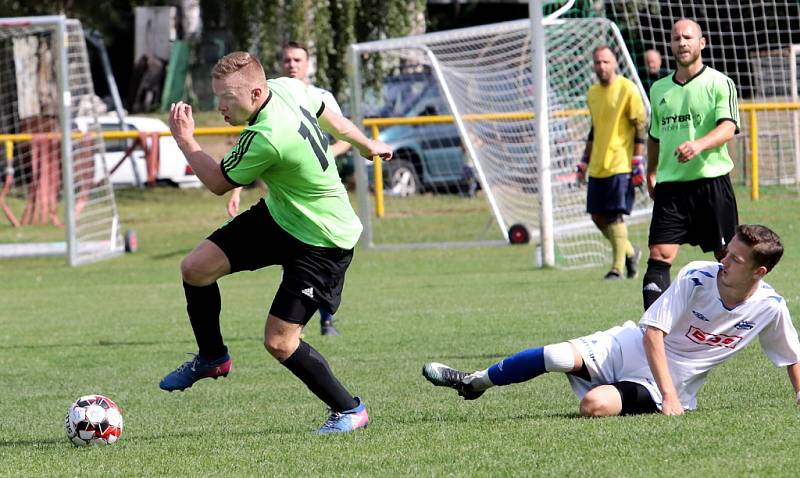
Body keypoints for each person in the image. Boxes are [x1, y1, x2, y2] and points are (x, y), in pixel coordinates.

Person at [161, 51, 393, 434]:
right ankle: (212, 356)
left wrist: (186, 141)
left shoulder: (265, 135)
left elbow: (219, 182)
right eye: (217, 97)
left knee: (280, 342)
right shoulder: (288, 87)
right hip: (282, 216)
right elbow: (329, 116)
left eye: (227, 99)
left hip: (322, 240)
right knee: (195, 269)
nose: (220, 107)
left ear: (255, 92)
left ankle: (349, 410)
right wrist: (366, 144)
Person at [423, 224, 800, 417]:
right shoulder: (698, 276)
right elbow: (652, 332)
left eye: (736, 259)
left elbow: (791, 355)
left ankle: (619, 392)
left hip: (659, 383)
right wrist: (670, 399)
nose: (724, 262)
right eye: (727, 253)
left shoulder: (770, 307)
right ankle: (475, 382)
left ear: (759, 271)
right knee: (554, 355)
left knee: (594, 407)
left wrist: (669, 395)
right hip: (629, 346)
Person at [228, 41, 349, 336]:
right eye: (286, 60)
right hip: (286, 192)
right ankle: (295, 320)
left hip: (320, 190)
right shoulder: (271, 97)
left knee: (318, 249)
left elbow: (343, 132)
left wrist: (321, 155)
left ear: (308, 64)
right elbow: (248, 154)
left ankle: (324, 320)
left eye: (297, 59)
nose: (291, 64)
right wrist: (235, 191)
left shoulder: (319, 96)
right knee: (293, 253)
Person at [642, 19, 740, 310]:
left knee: (727, 256)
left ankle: (733, 319)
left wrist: (698, 145)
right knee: (659, 255)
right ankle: (656, 333)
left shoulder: (720, 82)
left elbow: (728, 127)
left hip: (711, 183)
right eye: (676, 38)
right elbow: (654, 135)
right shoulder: (659, 89)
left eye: (688, 37)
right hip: (671, 187)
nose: (681, 42)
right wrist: (650, 171)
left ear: (702, 43)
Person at [576, 45, 647, 280]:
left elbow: (640, 125)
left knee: (615, 215)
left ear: (615, 62)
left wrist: (637, 161)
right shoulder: (592, 93)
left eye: (606, 62)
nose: (602, 66)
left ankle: (616, 269)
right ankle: (629, 251)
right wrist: (584, 163)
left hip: (621, 163)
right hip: (598, 164)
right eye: (597, 62)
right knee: (597, 216)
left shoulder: (628, 89)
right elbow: (594, 130)